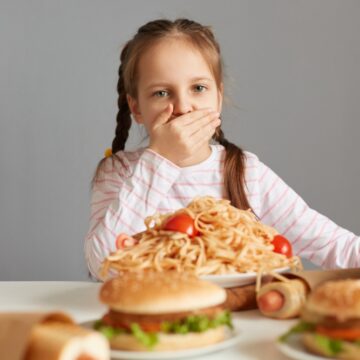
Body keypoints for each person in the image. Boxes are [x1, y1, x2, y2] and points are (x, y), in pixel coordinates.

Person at [85, 18, 359, 281]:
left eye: (198, 88)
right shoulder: (118, 172)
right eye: (161, 93)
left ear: (217, 98)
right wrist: (161, 158)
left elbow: (333, 244)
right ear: (136, 109)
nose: (182, 107)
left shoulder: (244, 172)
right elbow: (103, 264)